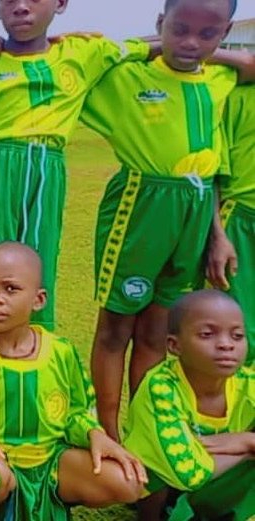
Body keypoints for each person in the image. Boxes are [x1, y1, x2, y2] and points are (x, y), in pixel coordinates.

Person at [82, 0, 254, 440]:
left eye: (207, 33)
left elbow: (214, 166)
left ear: (225, 32)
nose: (191, 43)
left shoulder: (219, 79)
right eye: (180, 30)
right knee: (117, 327)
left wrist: (217, 235)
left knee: (159, 330)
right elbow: (79, 59)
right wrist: (147, 48)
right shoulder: (126, 78)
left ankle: (148, 436)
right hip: (142, 204)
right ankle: (108, 434)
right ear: (160, 24)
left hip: (195, 213)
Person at [0, 0, 154, 336]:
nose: (20, 6)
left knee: (30, 287)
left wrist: (223, 53)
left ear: (61, 3)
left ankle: (25, 378)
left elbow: (172, 41)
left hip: (45, 177)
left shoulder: (84, 52)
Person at [0, 242, 147, 520]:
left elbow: (75, 412)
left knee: (127, 481)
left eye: (10, 289)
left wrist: (94, 433)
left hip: (49, 462)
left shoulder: (62, 353)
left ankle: (45, 499)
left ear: (39, 299)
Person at [124, 290, 254, 520]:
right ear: (174, 345)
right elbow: (187, 473)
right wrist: (247, 446)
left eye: (237, 336)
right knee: (152, 471)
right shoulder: (161, 387)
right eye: (207, 334)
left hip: (215, 472)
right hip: (168, 479)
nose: (226, 345)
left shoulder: (247, 383)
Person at [209, 84, 255, 365]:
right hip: (240, 222)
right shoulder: (235, 96)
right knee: (237, 331)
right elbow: (213, 174)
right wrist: (217, 235)